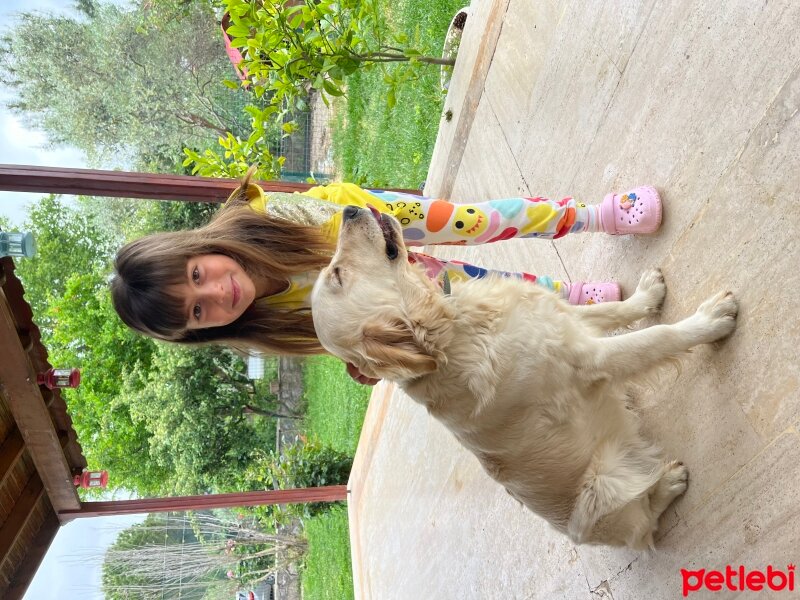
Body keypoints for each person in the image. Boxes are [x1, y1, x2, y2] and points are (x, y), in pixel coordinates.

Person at [110, 168, 661, 382]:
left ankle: (595, 214)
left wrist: (383, 266)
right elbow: (346, 336)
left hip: (385, 226)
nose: (216, 292)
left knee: (488, 221)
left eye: (197, 273)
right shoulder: (268, 324)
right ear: (204, 330)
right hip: (401, 292)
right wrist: (367, 362)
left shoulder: (260, 222)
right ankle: (579, 300)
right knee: (494, 294)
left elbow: (340, 227)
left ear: (198, 248)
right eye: (197, 311)